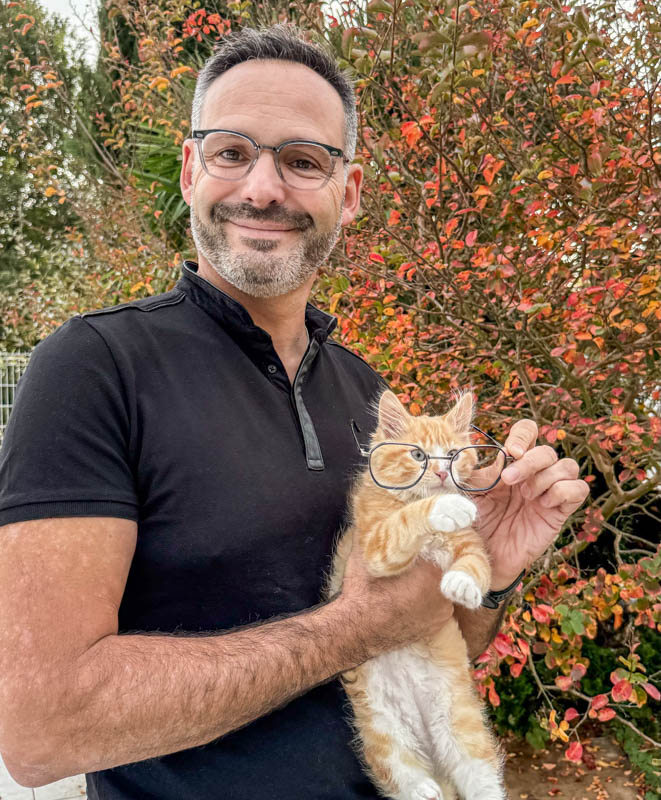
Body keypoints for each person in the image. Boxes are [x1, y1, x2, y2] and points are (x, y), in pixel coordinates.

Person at [0, 24, 589, 800]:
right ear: (190, 168)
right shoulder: (93, 368)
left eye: (302, 160)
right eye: (232, 151)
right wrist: (349, 630)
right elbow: (40, 731)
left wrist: (492, 571)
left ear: (347, 194)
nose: (263, 188)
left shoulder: (365, 394)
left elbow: (419, 637)